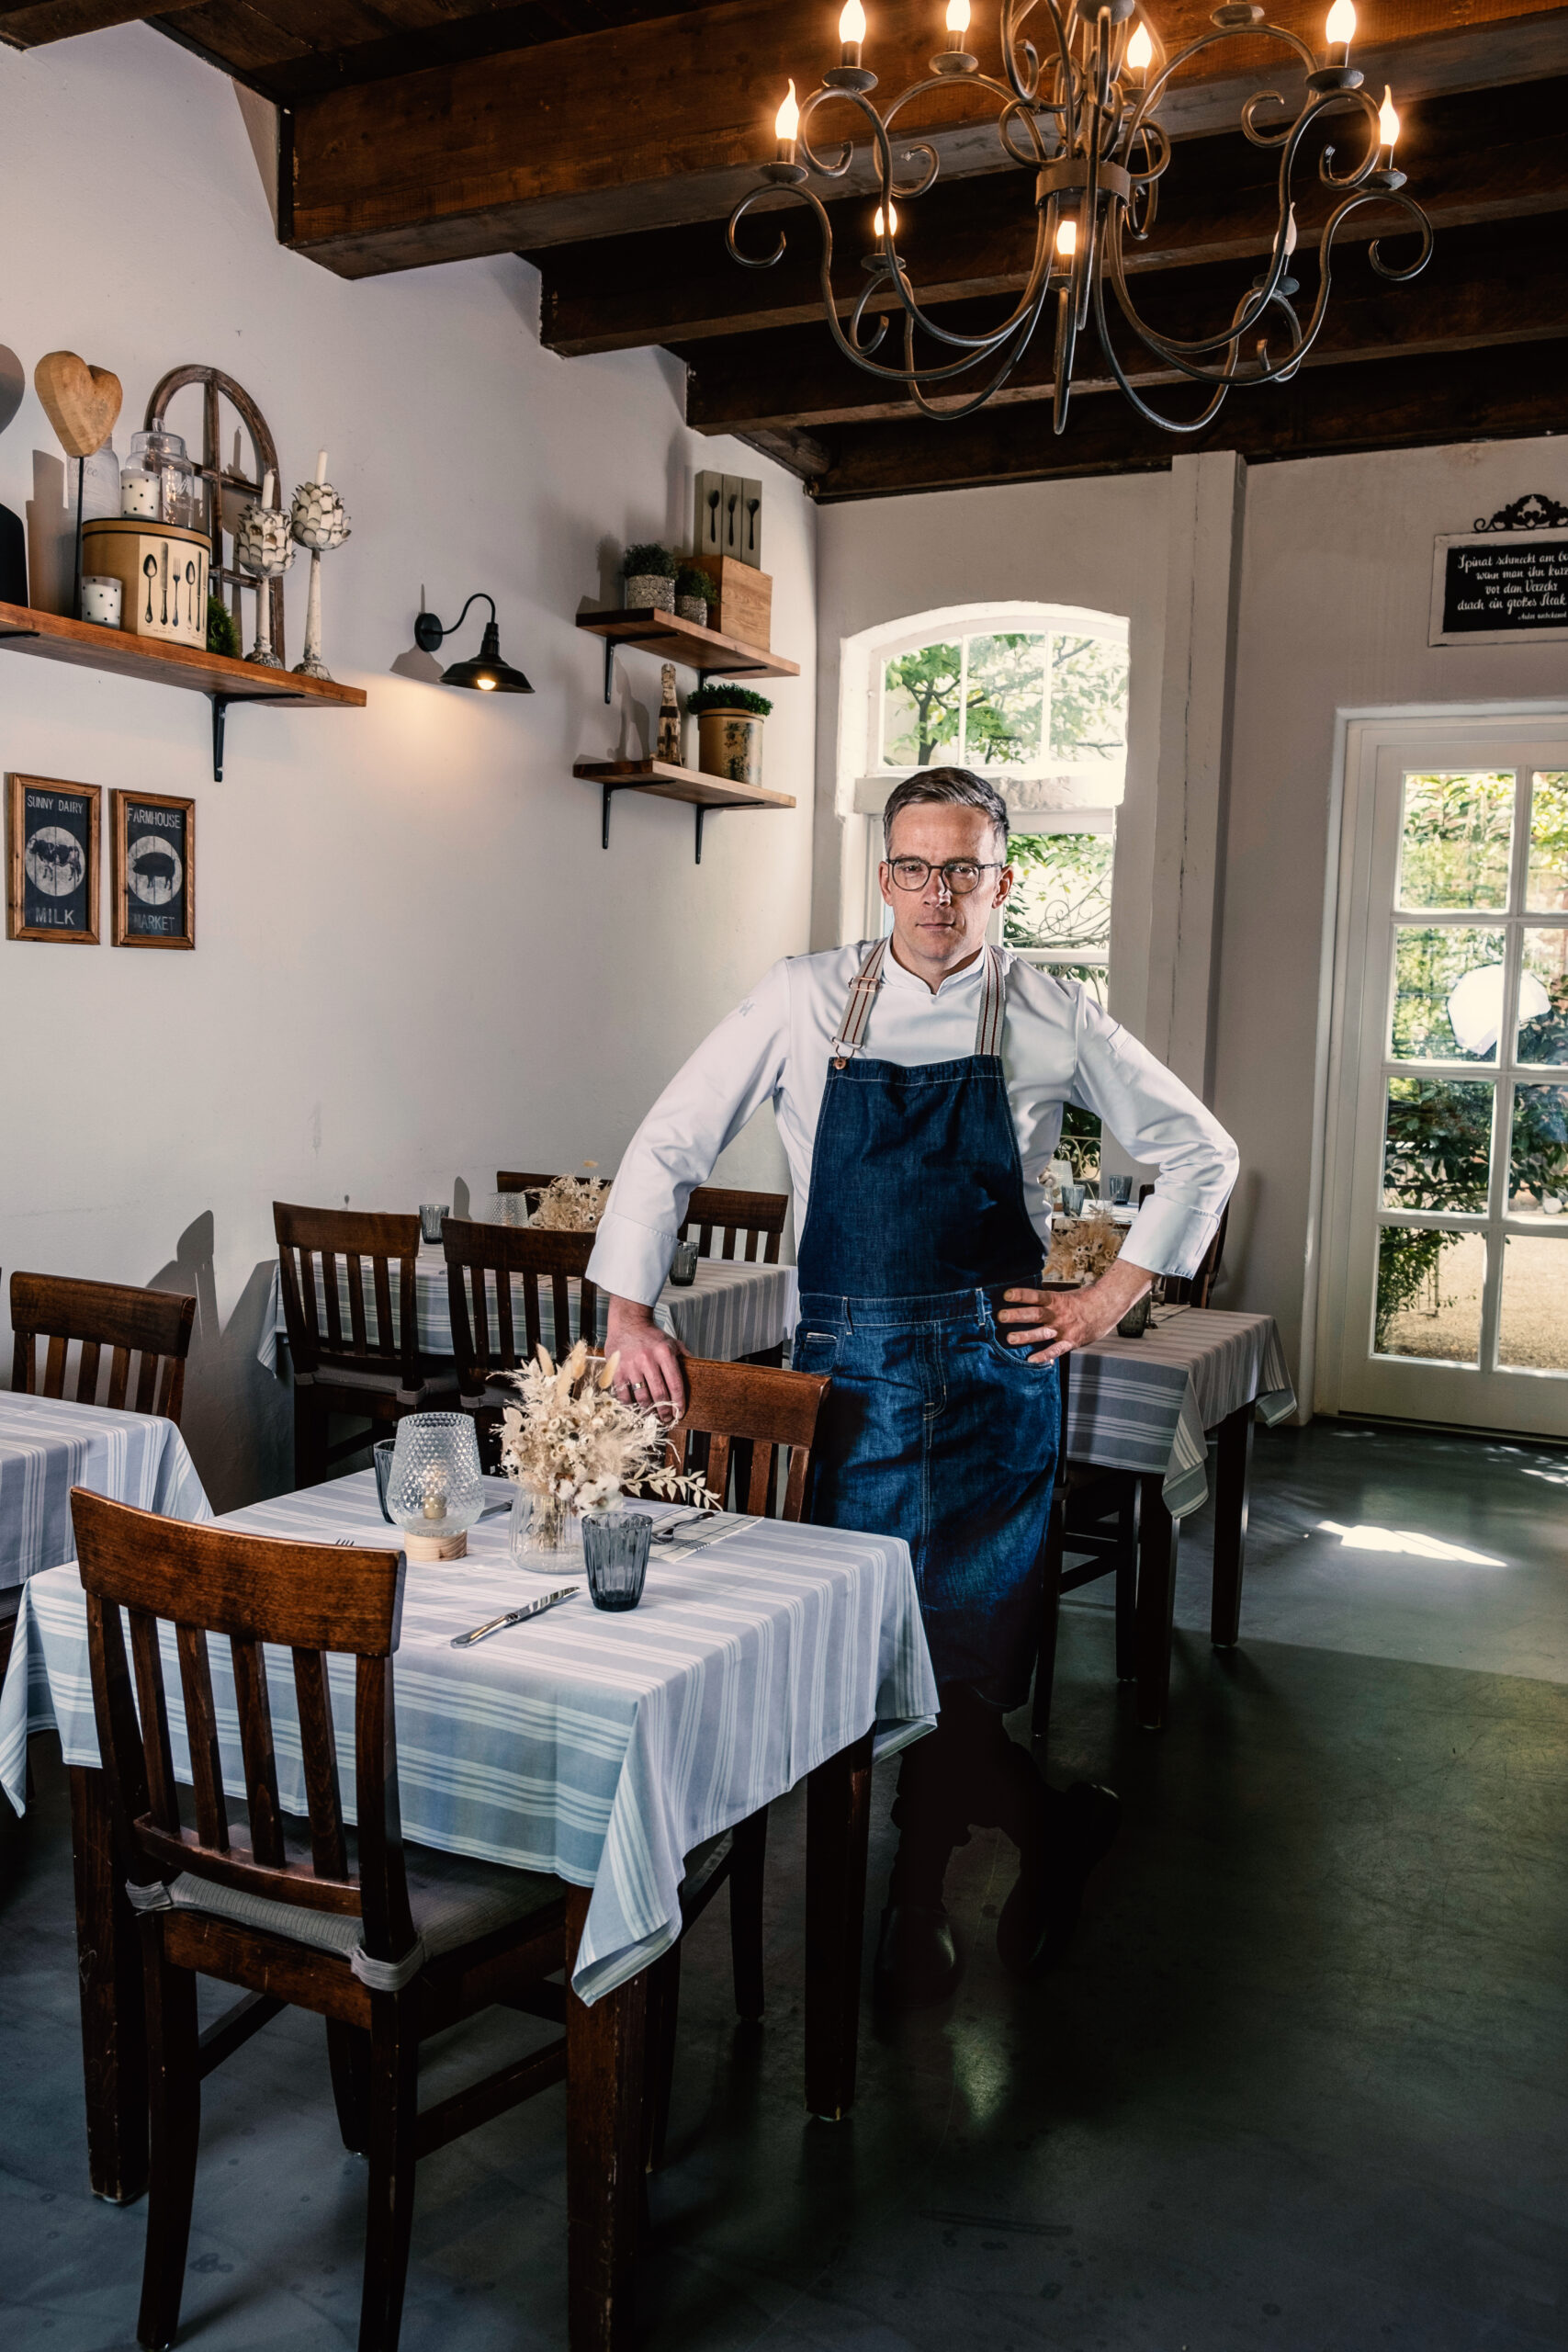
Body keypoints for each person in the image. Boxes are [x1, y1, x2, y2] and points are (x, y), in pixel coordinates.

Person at [588, 768, 1237, 2005]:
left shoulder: (1049, 1010)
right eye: (914, 869)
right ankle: (1049, 1833)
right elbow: (671, 1142)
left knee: (966, 1662)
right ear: (881, 874)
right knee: (869, 1662)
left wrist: (1111, 1297)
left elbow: (1203, 1152)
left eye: (964, 870)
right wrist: (630, 1309)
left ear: (1003, 878)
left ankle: (914, 1900)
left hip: (994, 1384)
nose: (937, 896)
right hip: (846, 1382)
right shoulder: (802, 997)